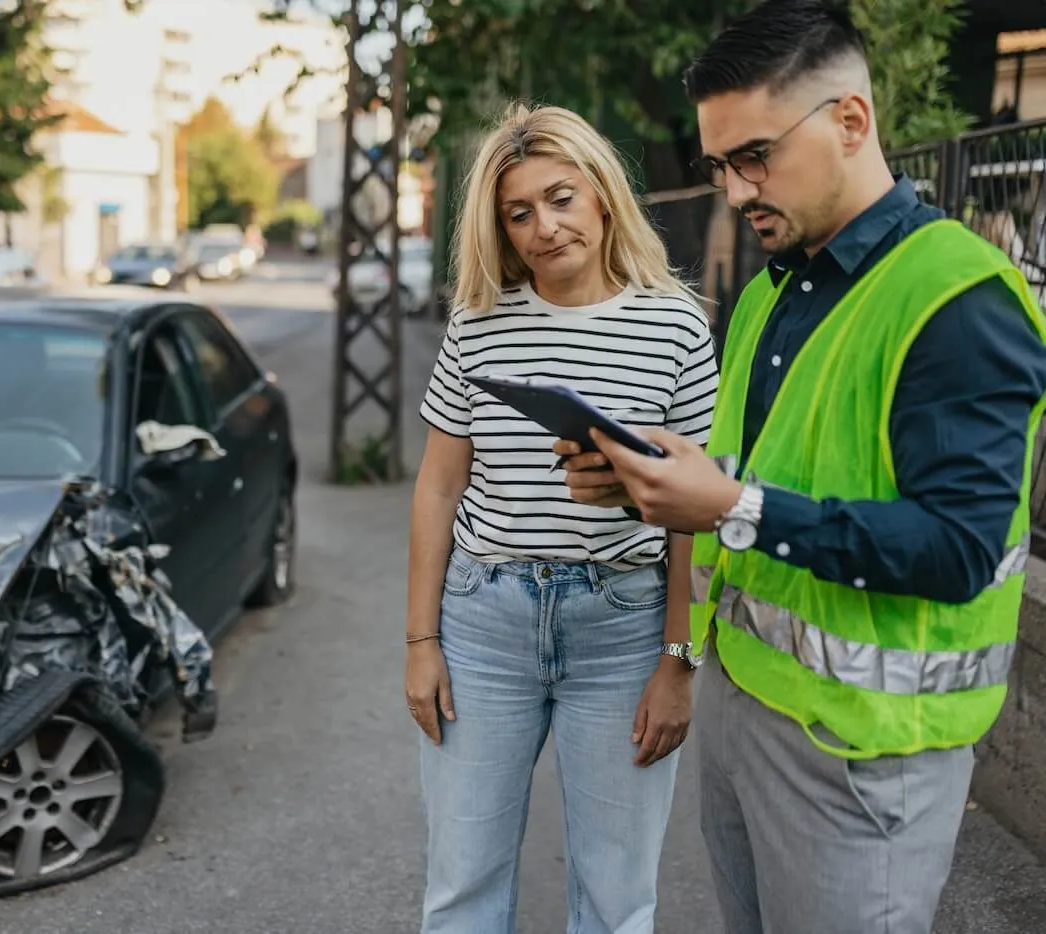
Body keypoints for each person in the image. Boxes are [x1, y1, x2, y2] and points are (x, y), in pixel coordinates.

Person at [555, 2, 1046, 932]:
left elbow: (960, 549)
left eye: (757, 156)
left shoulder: (960, 297)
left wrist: (733, 505)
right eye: (719, 167)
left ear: (851, 121)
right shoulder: (771, 294)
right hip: (744, 711)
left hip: (867, 760)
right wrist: (652, 488)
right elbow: (752, 481)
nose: (737, 191)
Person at [405, 101, 719, 934]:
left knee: (616, 900)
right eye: (519, 213)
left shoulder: (677, 327)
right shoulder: (477, 324)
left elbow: (695, 516)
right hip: (484, 623)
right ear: (501, 230)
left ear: (603, 195)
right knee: (461, 889)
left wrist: (680, 662)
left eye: (561, 197)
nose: (544, 226)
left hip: (623, 627)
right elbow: (438, 488)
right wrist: (420, 643)